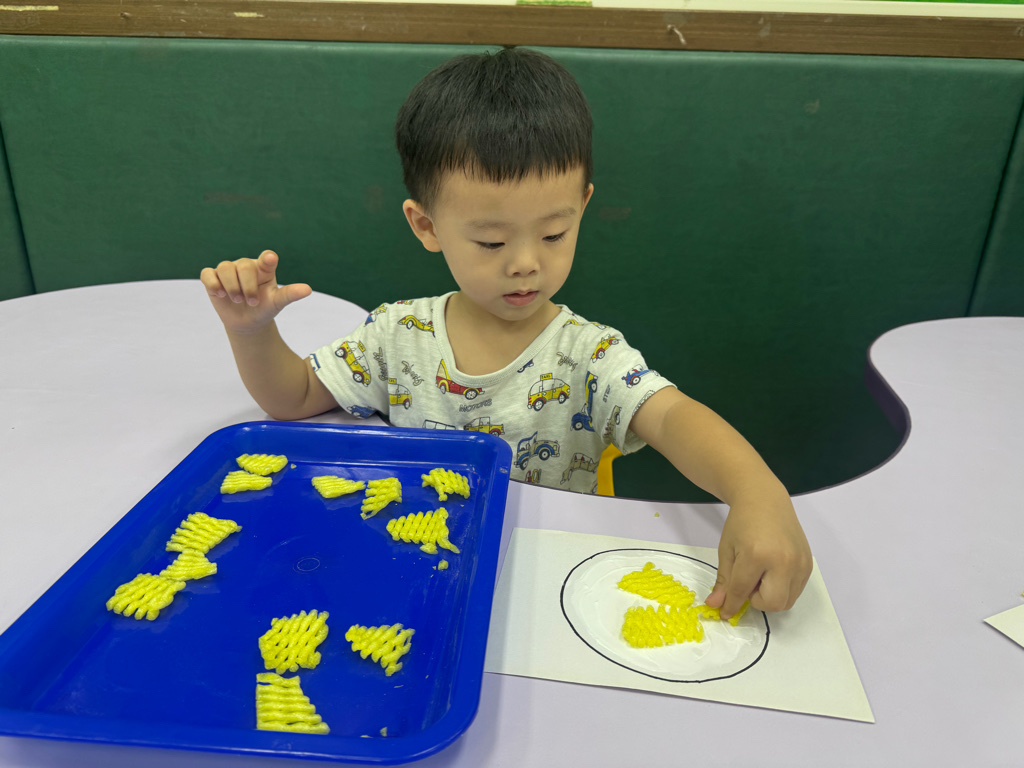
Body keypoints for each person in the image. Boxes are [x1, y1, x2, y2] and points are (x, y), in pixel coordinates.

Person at [200, 47, 812, 618]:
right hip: (416, 575)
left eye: (553, 234)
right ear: (426, 225)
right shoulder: (396, 335)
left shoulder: (589, 355)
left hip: (547, 589)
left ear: (583, 206)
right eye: (491, 241)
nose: (525, 263)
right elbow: (295, 398)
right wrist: (251, 332)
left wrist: (757, 492)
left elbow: (675, 418)